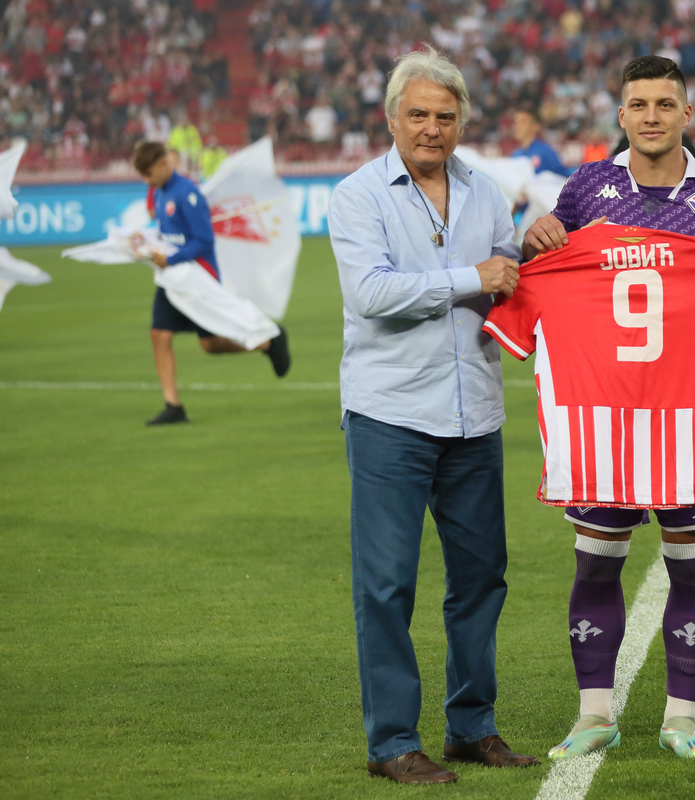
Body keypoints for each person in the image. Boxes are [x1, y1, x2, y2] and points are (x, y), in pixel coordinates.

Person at [522, 54, 695, 762]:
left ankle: (682, 718)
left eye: (664, 104)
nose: (651, 116)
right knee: (594, 566)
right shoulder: (588, 189)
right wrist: (535, 237)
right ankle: (594, 714)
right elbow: (550, 267)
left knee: (693, 570)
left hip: (684, 422)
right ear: (620, 116)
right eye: (638, 104)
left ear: (688, 114)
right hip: (602, 421)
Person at [327, 46, 538, 786]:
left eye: (445, 116)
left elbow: (511, 273)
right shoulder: (358, 195)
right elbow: (372, 294)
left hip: (474, 414)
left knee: (482, 579)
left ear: (462, 122)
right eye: (417, 114)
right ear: (392, 119)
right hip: (391, 415)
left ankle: (470, 727)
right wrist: (471, 277)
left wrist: (533, 254)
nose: (431, 128)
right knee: (386, 584)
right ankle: (391, 743)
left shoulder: (485, 192)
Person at [134, 141, 290, 426]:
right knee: (159, 334)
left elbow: (204, 241)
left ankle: (268, 342)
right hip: (172, 279)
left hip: (197, 278)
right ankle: (173, 406)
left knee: (211, 345)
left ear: (161, 165)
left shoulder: (188, 194)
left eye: (147, 174)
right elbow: (167, 233)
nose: (146, 181)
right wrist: (145, 243)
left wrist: (173, 258)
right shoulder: (159, 193)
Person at [511, 107, 571, 177]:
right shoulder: (515, 155)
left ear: (535, 126)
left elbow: (564, 179)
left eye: (522, 122)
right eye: (516, 122)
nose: (517, 126)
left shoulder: (545, 152)